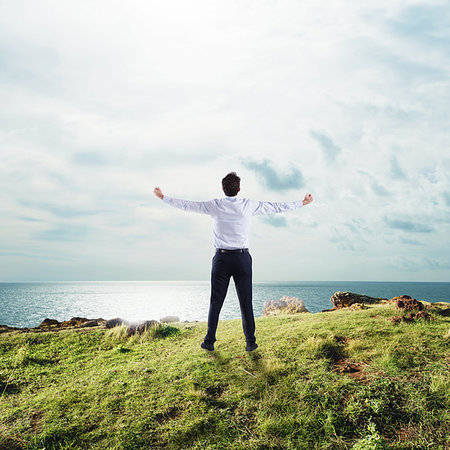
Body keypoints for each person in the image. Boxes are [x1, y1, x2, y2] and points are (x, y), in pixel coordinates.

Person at [153, 172, 313, 352]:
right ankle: (250, 342)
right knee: (246, 302)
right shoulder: (248, 205)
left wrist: (163, 198)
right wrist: (303, 202)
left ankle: (209, 342)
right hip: (242, 259)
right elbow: (275, 207)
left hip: (221, 259)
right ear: (239, 189)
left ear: (223, 189)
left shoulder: (215, 206)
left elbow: (188, 205)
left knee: (216, 302)